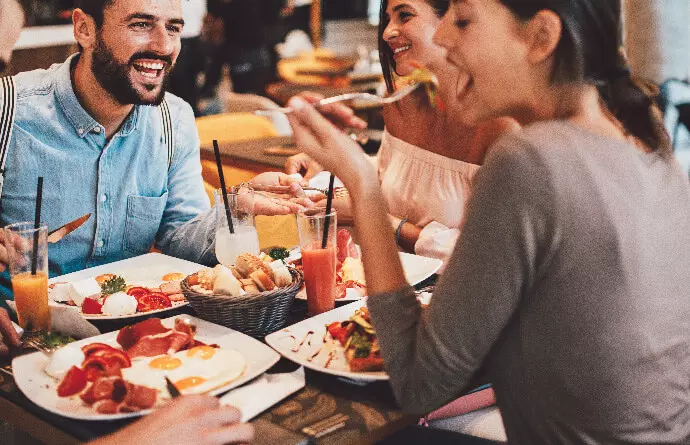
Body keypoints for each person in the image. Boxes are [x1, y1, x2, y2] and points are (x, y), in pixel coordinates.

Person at [286, 0, 690, 443]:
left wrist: (361, 184)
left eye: (462, 20)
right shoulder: (644, 137)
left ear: (540, 38)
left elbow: (420, 383)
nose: (441, 38)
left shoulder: (529, 160)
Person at [0, 0, 315, 303]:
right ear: (85, 29)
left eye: (173, 29)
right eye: (140, 24)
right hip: (22, 332)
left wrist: (236, 207)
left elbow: (179, 238)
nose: (164, 46)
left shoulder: (173, 119)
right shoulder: (8, 111)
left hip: (134, 326)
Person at [287, 0, 518, 264]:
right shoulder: (399, 103)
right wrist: (328, 169)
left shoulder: (502, 127)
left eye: (404, 16)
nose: (387, 32)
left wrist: (383, 221)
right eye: (388, 19)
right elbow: (393, 179)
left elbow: (493, 260)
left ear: (453, 20)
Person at [168, 0, 207, 115]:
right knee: (187, 85)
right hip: (191, 40)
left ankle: (189, 116)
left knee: (184, 86)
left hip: (187, 41)